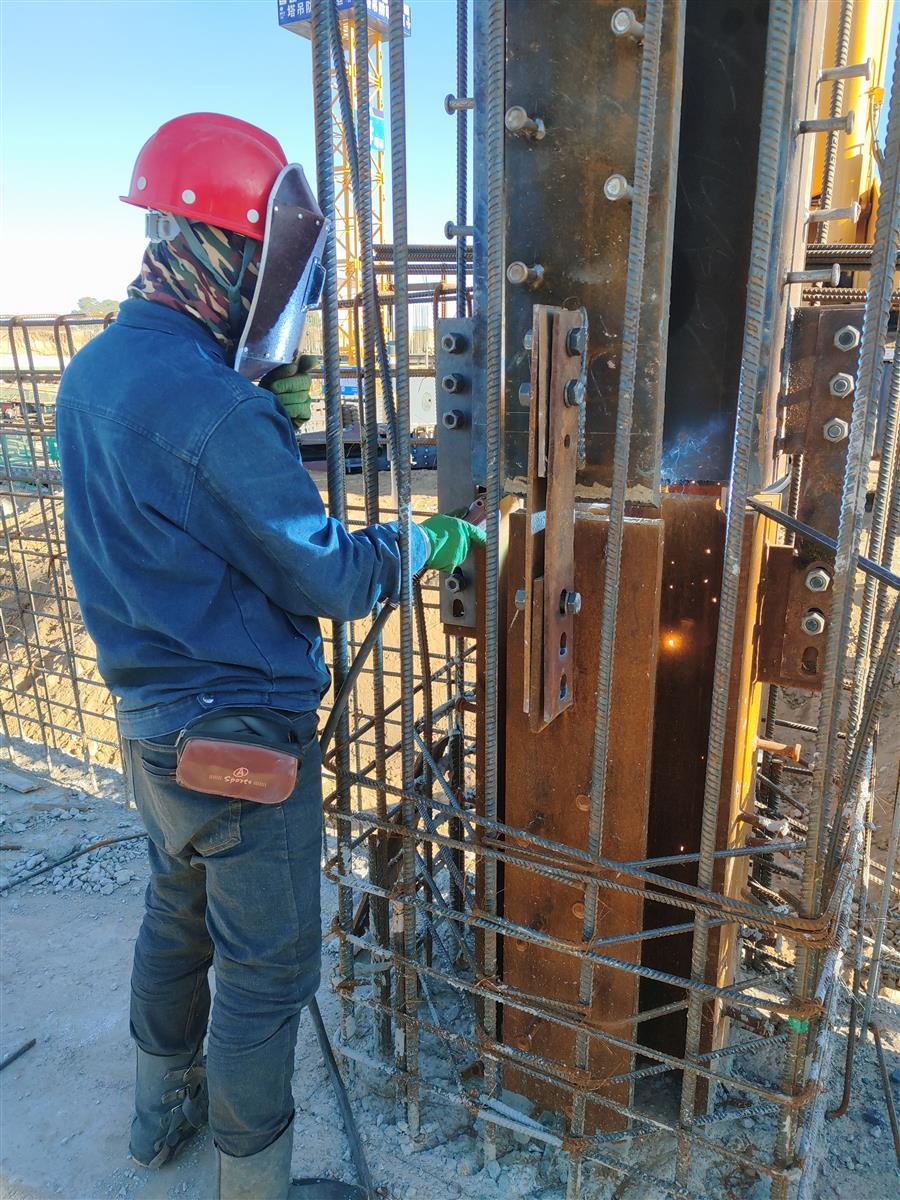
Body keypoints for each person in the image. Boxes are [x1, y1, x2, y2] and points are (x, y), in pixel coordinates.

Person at [55, 112, 483, 1199]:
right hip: (238, 734)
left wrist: (261, 420)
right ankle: (254, 1184)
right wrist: (424, 542)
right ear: (234, 252)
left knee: (177, 911)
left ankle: (157, 1118)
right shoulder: (213, 406)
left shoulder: (96, 369)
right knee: (269, 968)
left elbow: (181, 524)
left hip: (151, 720)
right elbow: (327, 576)